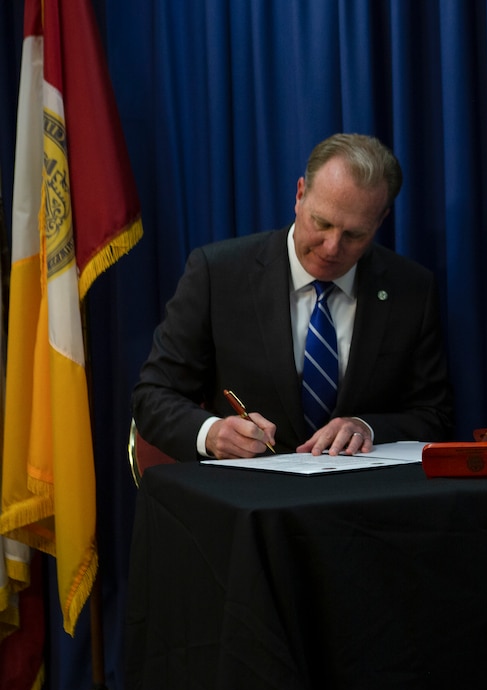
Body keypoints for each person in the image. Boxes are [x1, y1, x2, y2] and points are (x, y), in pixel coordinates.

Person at [133, 133, 454, 461]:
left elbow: (435, 416)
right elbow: (153, 397)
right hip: (250, 501)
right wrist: (212, 433)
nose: (331, 247)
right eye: (322, 222)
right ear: (300, 195)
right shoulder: (218, 274)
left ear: (380, 220)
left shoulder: (410, 289)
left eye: (354, 235)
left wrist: (367, 428)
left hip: (362, 503)